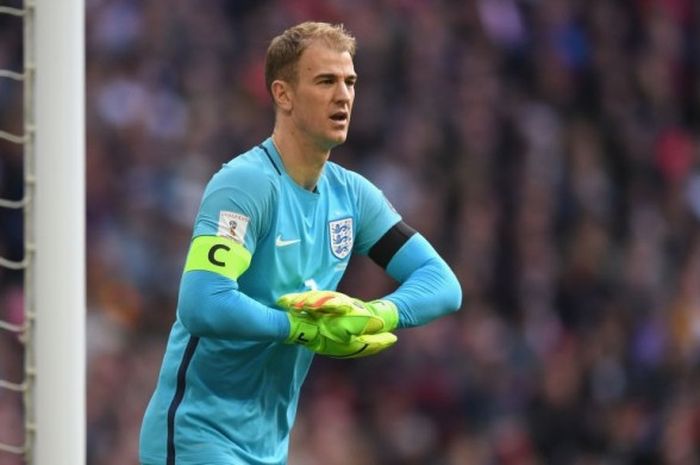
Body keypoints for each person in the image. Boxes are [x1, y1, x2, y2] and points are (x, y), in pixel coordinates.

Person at [139, 21, 462, 465]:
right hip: (198, 435)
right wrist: (297, 328)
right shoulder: (244, 186)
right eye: (325, 81)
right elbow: (202, 301)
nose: (344, 95)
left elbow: (442, 283)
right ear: (283, 94)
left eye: (350, 82)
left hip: (269, 446)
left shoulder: (353, 198)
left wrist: (373, 314)